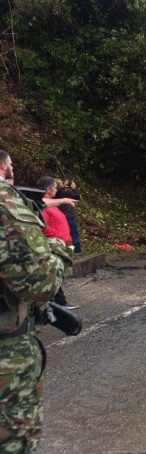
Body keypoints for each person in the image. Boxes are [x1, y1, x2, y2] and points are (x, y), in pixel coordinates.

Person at [1, 149, 71, 452]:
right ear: (3, 166)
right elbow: (39, 283)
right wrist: (56, 247)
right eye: (12, 166)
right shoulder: (5, 202)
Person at [38, 177, 79, 310]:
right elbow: (43, 226)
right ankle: (59, 302)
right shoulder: (43, 205)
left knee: (59, 274)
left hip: (63, 243)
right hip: (55, 244)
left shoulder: (52, 203)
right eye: (55, 187)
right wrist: (57, 235)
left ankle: (58, 301)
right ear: (48, 189)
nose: (57, 190)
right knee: (55, 274)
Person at [54, 178, 82, 255]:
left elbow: (60, 190)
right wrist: (74, 188)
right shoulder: (67, 191)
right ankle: (77, 252)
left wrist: (64, 186)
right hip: (69, 216)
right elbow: (76, 197)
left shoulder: (54, 193)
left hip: (59, 217)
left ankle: (65, 252)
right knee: (74, 235)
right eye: (61, 183)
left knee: (63, 236)